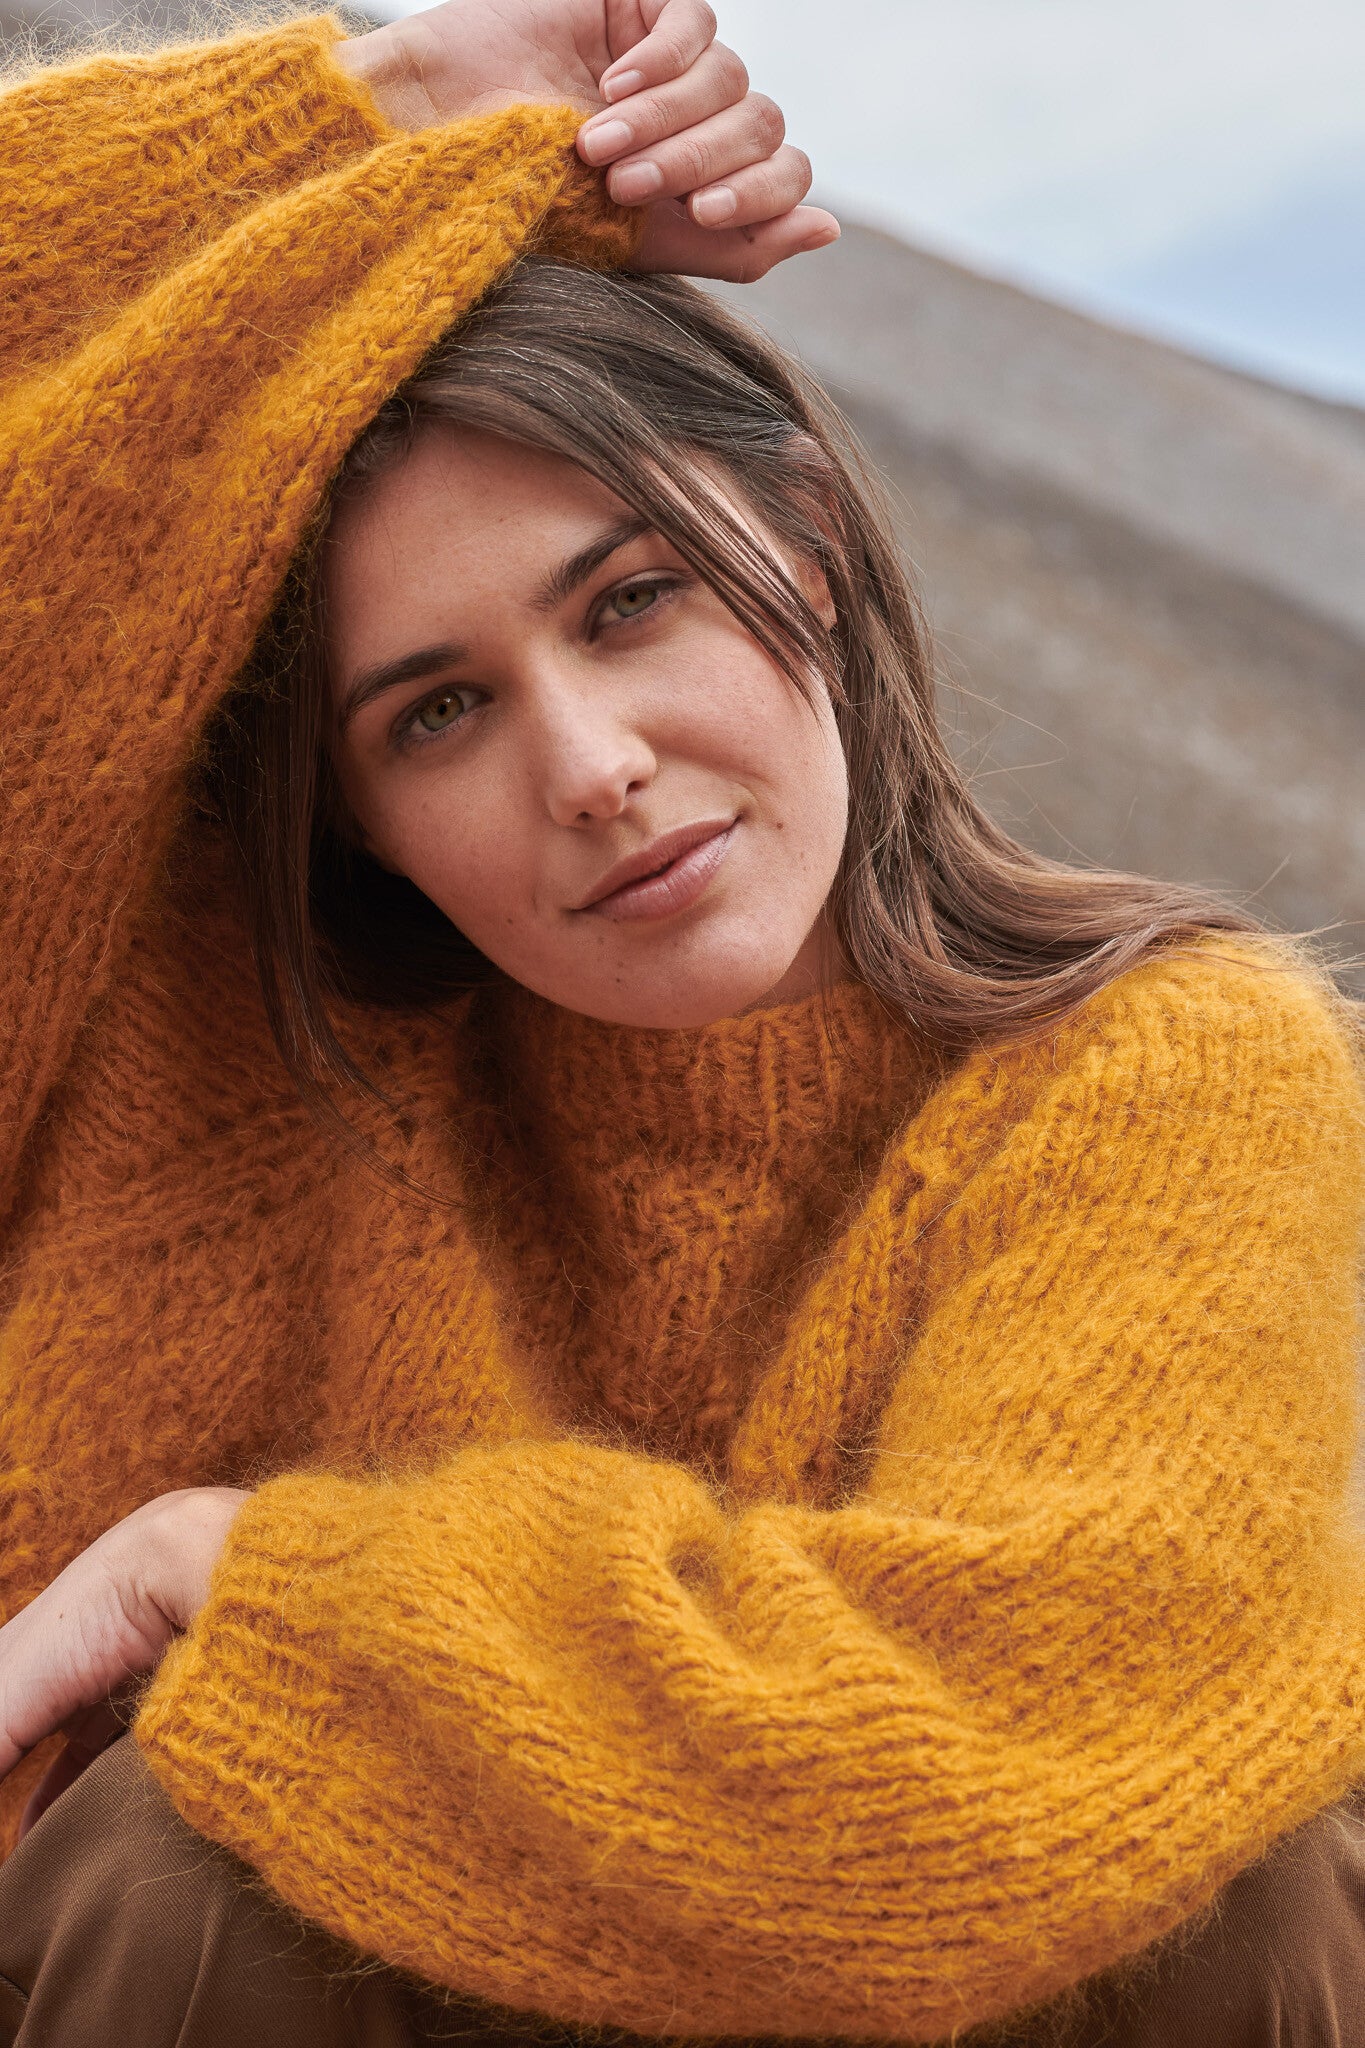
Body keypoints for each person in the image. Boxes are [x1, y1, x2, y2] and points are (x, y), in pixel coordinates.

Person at [0, 3, 1363, 2043]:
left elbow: (979, 1772)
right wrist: (386, 112)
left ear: (803, 548)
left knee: (1241, 1870)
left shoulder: (1169, 1072)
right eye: (434, 712)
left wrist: (236, 1566)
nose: (591, 767)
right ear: (352, 814)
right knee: (166, 1850)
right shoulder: (221, 1069)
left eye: (628, 600)